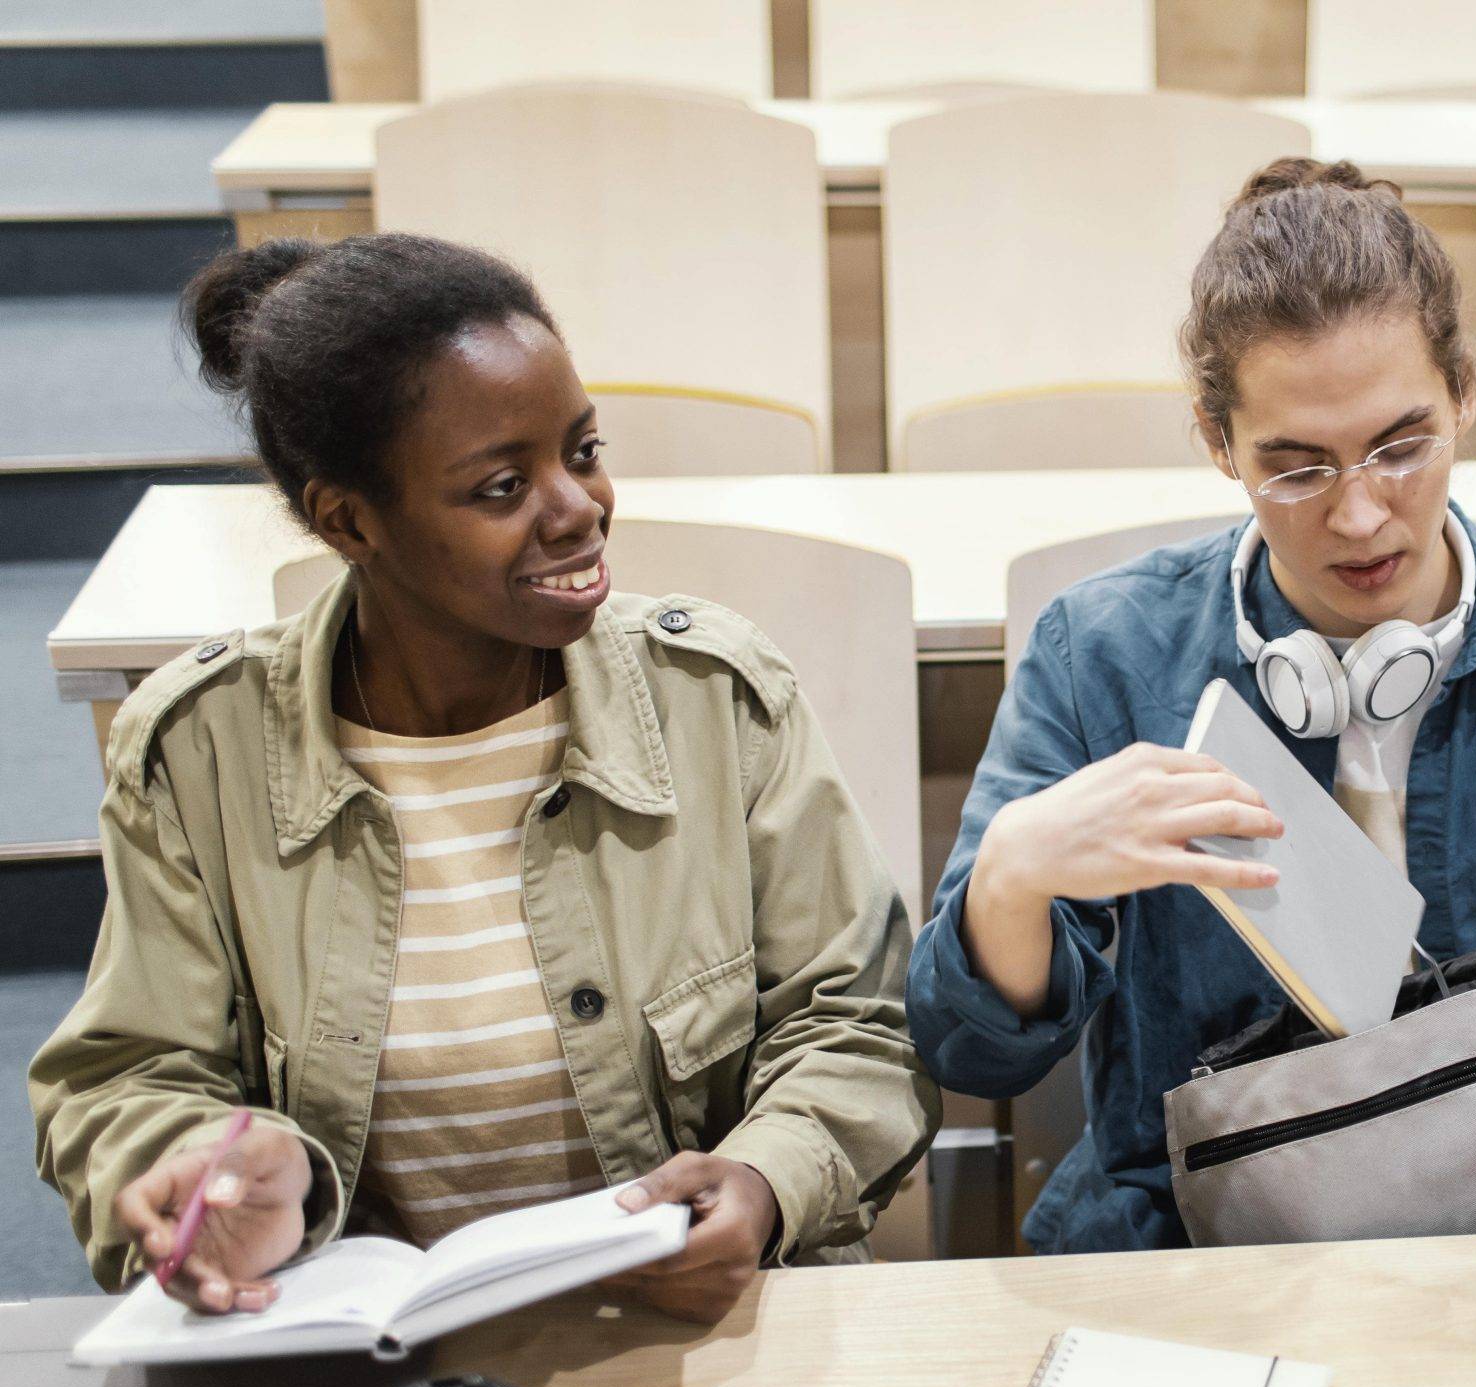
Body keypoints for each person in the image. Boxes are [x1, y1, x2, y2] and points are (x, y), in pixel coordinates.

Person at [907, 158, 1476, 1254]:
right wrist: (1012, 877)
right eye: (1296, 469)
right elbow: (971, 1056)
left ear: (1465, 396)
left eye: (1402, 447)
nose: (1358, 516)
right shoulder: (1099, 658)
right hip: (1208, 1254)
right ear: (1217, 445)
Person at [29, 234, 937, 1325]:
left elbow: (856, 1023)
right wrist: (200, 1167)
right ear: (348, 521)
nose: (578, 507)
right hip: (358, 1362)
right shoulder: (198, 751)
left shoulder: (716, 699)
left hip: (689, 1335)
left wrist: (763, 1178)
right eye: (503, 485)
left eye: (583, 449)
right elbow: (124, 1076)